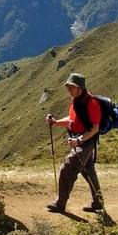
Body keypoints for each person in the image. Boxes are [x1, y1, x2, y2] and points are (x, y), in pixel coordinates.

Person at [45, 73, 104, 213]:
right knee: (88, 170)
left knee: (68, 167)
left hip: (86, 141)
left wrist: (79, 140)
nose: (69, 90)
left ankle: (60, 203)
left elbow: (95, 128)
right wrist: (56, 122)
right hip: (79, 139)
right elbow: (72, 121)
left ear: (79, 88)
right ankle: (98, 201)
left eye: (71, 87)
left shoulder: (92, 103)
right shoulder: (76, 101)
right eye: (68, 87)